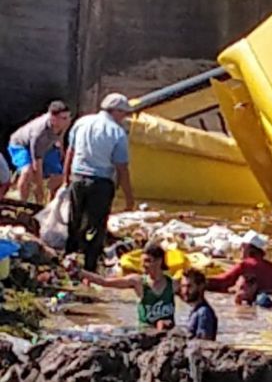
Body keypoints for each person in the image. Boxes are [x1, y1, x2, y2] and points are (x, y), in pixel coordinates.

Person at [65, 93, 135, 272]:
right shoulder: (117, 132)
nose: (124, 117)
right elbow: (122, 168)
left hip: (77, 177)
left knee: (74, 220)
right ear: (115, 111)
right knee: (97, 226)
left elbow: (70, 152)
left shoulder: (82, 122)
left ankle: (69, 257)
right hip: (101, 183)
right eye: (124, 113)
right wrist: (129, 197)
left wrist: (66, 178)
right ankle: (90, 266)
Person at [79, 243, 175, 330]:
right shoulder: (138, 282)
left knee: (162, 324)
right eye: (142, 261)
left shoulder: (173, 283)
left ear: (159, 261)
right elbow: (105, 282)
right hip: (146, 333)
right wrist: (80, 272)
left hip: (169, 335)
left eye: (147, 261)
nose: (143, 265)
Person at [7, 101, 71, 203]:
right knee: (27, 171)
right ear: (53, 119)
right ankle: (23, 204)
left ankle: (51, 205)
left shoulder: (65, 122)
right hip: (21, 145)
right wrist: (39, 188)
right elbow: (37, 163)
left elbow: (61, 135)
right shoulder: (39, 133)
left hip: (48, 146)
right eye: (64, 118)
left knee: (59, 176)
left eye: (68, 116)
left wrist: (61, 150)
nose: (68, 120)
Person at [207, 231, 272, 304]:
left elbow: (223, 281)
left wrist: (202, 280)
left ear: (247, 247)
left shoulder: (245, 265)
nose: (240, 249)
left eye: (242, 246)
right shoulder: (271, 266)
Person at [180, 268, 218, 341]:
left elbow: (204, 343)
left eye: (189, 286)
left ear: (201, 286)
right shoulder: (196, 310)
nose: (185, 291)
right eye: (183, 286)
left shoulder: (204, 313)